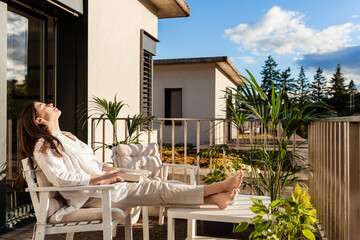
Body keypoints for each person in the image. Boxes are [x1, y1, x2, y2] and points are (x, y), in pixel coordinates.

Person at [18, 101, 243, 221]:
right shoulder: (43, 145)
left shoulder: (67, 137)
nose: (50, 104)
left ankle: (215, 199)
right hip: (93, 197)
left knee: (161, 190)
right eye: (43, 106)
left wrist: (105, 168)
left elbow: (89, 164)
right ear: (39, 120)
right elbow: (61, 179)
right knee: (158, 188)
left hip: (104, 190)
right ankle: (217, 189)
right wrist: (102, 178)